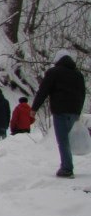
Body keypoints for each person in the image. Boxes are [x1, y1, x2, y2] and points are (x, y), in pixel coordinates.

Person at [31, 49, 87, 178]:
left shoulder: (53, 72)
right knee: (69, 139)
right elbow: (82, 94)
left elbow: (43, 91)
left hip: (60, 111)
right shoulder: (78, 75)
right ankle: (67, 165)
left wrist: (34, 108)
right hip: (74, 111)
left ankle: (67, 168)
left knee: (63, 140)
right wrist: (78, 111)